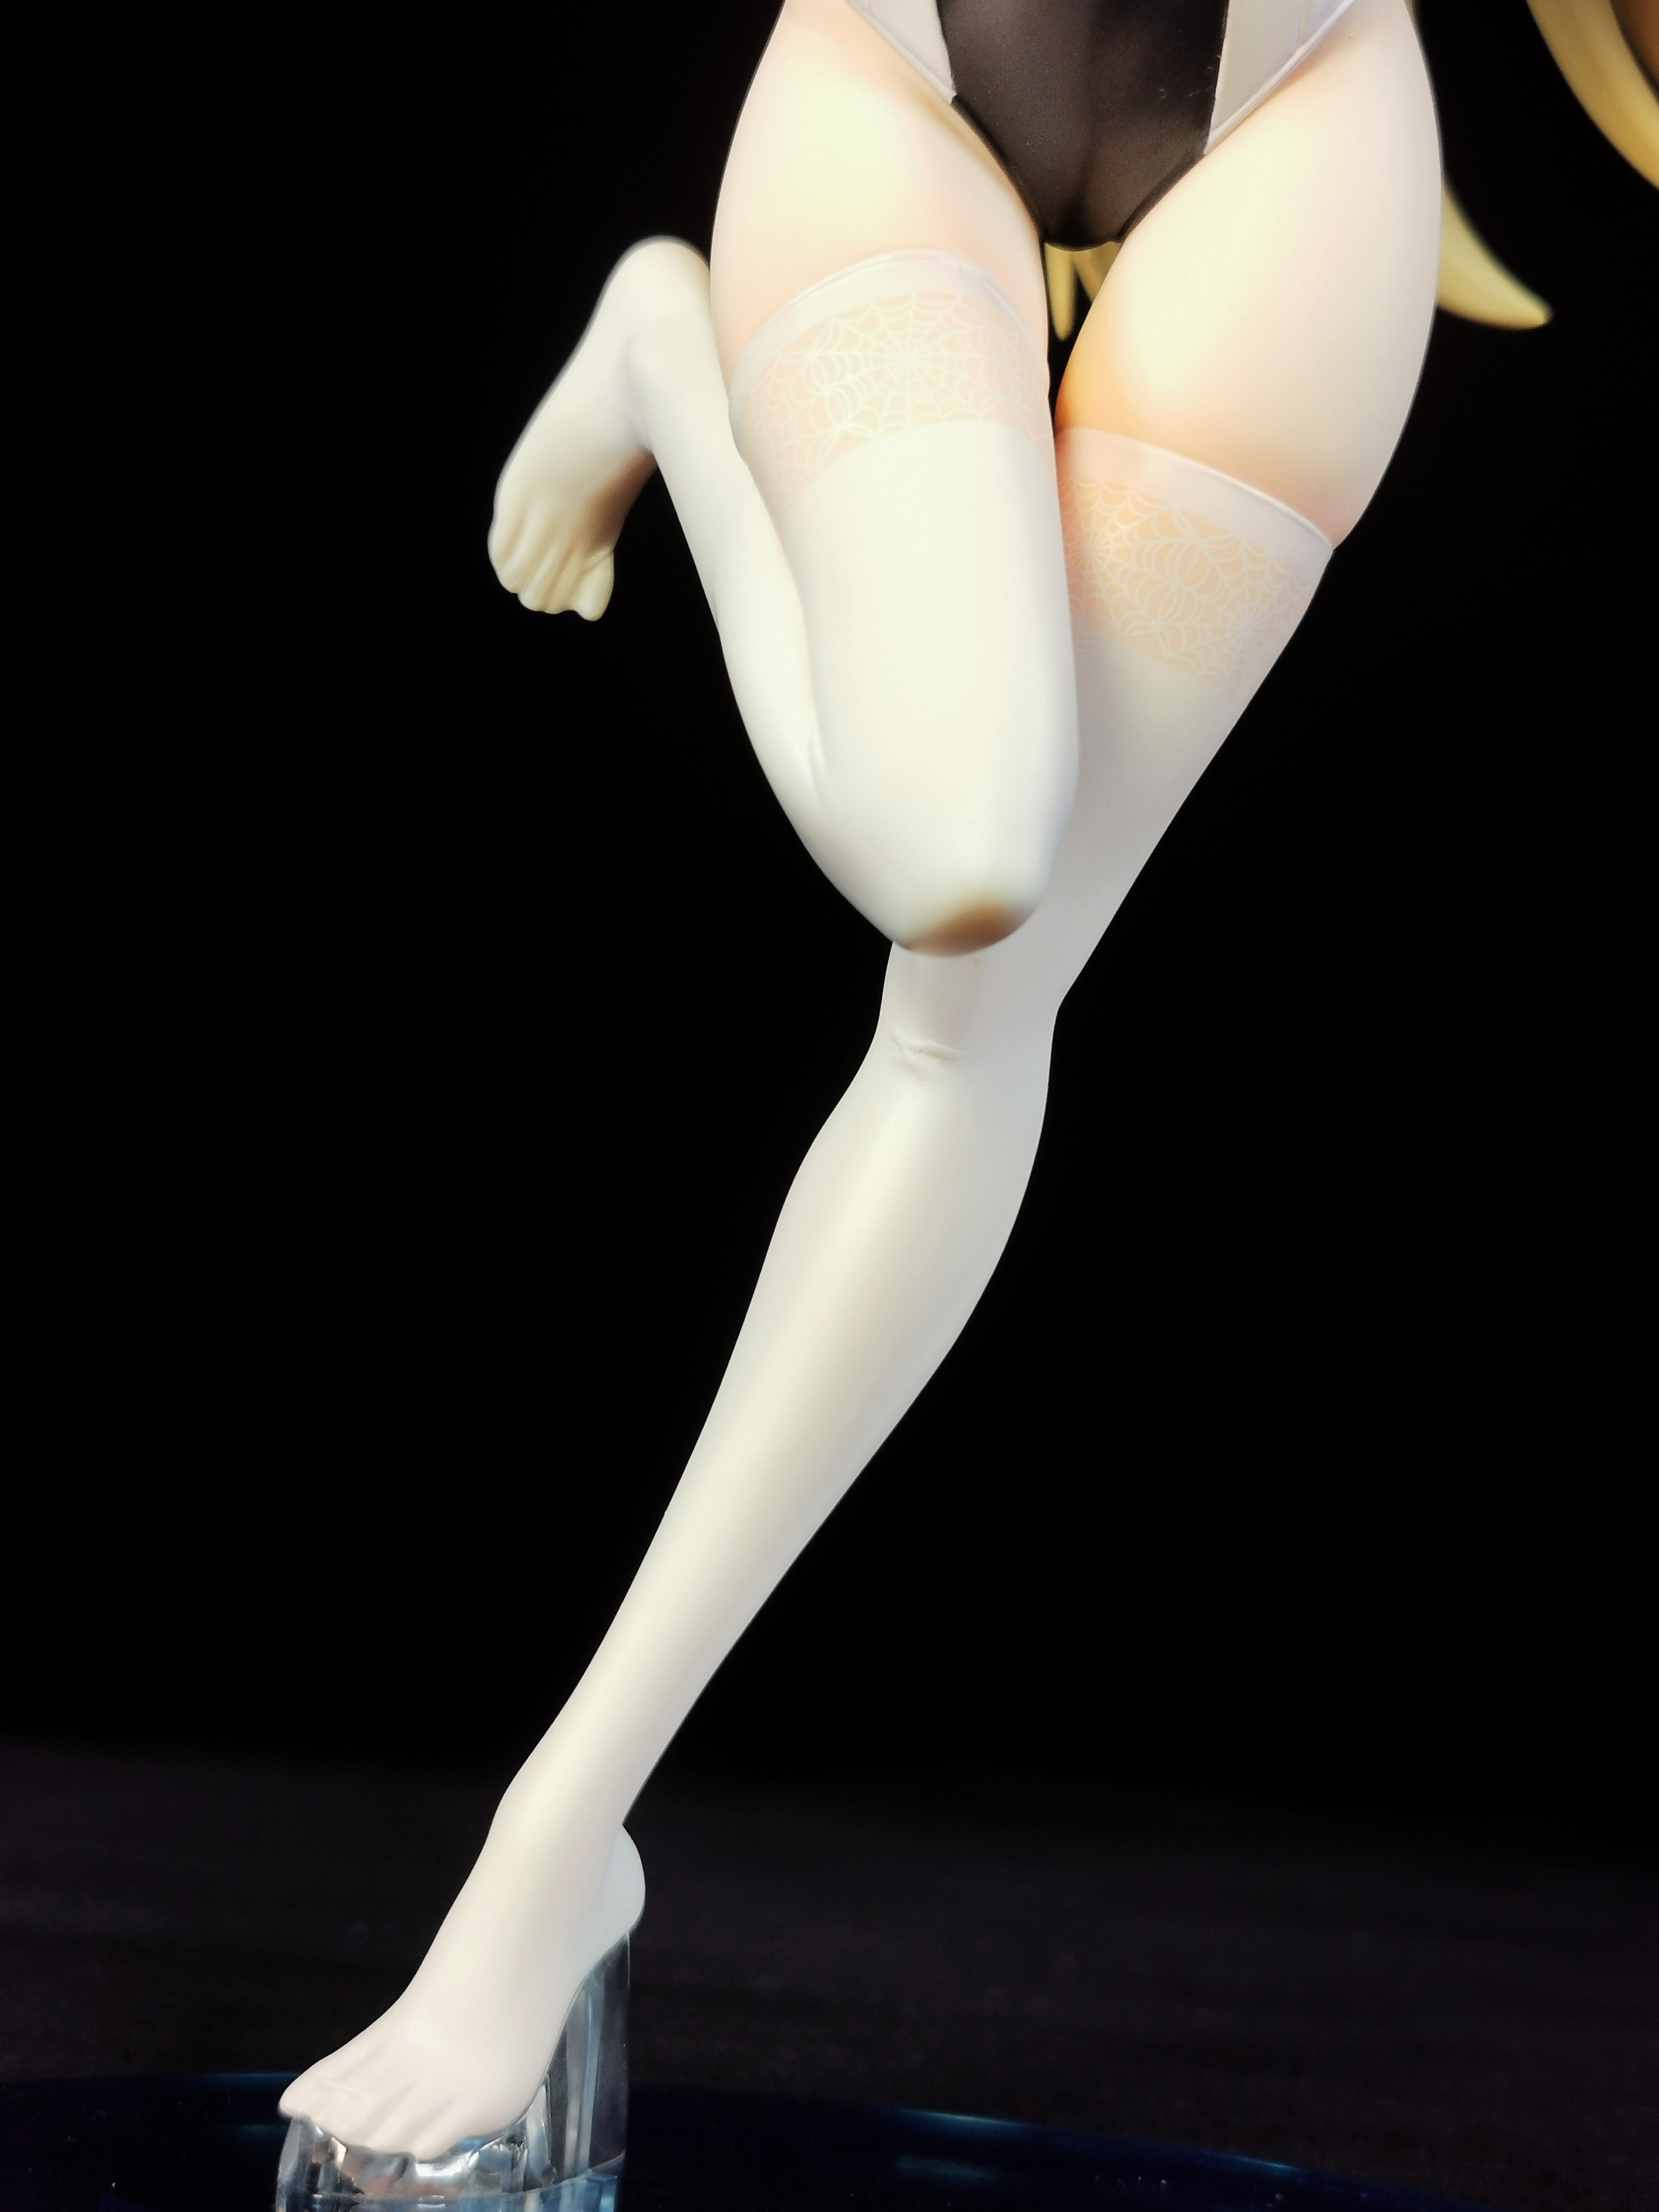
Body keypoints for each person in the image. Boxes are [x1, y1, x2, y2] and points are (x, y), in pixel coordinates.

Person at [279, 0, 1652, 2167]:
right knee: (958, 853)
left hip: (1296, 111)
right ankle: (671, 354)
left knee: (974, 995)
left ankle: (553, 1838)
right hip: (915, 57)